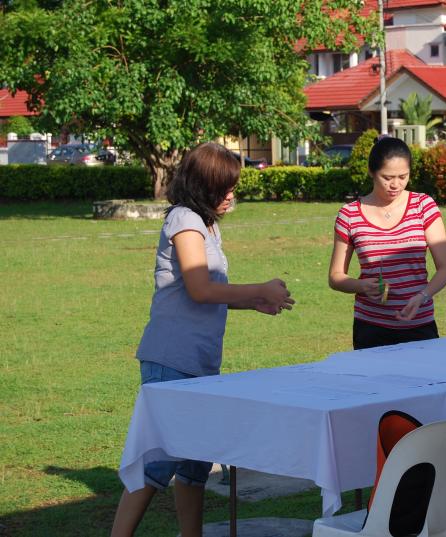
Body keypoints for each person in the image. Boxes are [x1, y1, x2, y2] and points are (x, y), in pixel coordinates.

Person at [111, 142, 294, 537]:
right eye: (224, 188)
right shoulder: (184, 220)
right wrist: (259, 288)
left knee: (194, 463)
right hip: (171, 359)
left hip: (198, 361)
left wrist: (254, 303)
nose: (231, 195)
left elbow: (205, 295)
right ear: (200, 185)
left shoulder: (207, 224)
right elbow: (199, 288)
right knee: (158, 459)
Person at [328, 136, 446, 350]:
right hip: (370, 329)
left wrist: (422, 297)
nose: (395, 184)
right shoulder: (350, 215)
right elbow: (335, 277)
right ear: (371, 172)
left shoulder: (423, 206)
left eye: (403, 176)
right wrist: (361, 286)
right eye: (387, 177)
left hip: (419, 325)